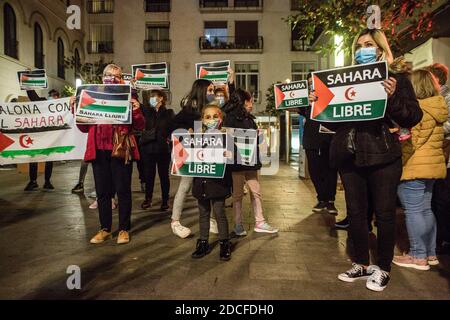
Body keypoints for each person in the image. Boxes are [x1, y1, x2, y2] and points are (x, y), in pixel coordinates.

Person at [310, 29, 422, 292]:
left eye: (369, 44)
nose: (363, 49)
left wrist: (392, 97)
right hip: (350, 155)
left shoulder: (396, 79)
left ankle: (383, 268)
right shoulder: (342, 80)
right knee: (356, 214)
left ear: (381, 49)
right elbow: (330, 116)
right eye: (359, 45)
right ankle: (360, 263)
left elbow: (412, 116)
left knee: (384, 214)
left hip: (383, 154)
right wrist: (315, 104)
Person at [76, 64, 145, 245]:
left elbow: (140, 126)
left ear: (122, 79)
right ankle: (105, 229)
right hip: (99, 151)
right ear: (102, 77)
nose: (111, 78)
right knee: (102, 193)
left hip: (120, 151)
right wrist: (75, 110)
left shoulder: (129, 96)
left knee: (123, 191)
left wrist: (136, 109)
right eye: (108, 74)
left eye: (116, 76)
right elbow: (83, 128)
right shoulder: (91, 96)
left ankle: (123, 229)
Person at [393, 69, 447, 270]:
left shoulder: (420, 110)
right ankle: (430, 253)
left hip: (415, 166)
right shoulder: (437, 106)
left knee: (414, 211)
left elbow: (411, 140)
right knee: (426, 210)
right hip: (433, 165)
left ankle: (418, 256)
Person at [223, 88, 278, 236]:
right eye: (249, 101)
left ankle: (260, 222)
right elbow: (228, 140)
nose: (251, 104)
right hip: (236, 163)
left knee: (256, 191)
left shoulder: (250, 119)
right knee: (238, 195)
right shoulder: (229, 118)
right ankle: (238, 224)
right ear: (241, 102)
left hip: (251, 161)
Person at [170, 79, 216, 238]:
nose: (212, 93)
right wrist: (186, 131)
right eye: (210, 90)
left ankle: (210, 219)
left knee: (208, 185)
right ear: (202, 90)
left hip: (206, 154)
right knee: (185, 186)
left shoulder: (211, 108)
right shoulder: (189, 110)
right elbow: (173, 127)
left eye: (213, 90)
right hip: (190, 154)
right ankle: (175, 222)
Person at [191, 103, 232, 261]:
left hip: (218, 184)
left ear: (221, 119)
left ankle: (224, 243)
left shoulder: (226, 137)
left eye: (215, 116)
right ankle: (203, 242)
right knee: (203, 213)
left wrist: (230, 154)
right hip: (201, 182)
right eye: (207, 117)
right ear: (202, 120)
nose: (212, 120)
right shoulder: (196, 137)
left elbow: (235, 158)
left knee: (219, 213)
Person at [299, 72, 339, 215]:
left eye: (314, 82)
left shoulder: (330, 99)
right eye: (309, 83)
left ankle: (330, 201)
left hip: (328, 140)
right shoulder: (306, 102)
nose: (312, 85)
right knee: (315, 171)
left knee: (330, 171)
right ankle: (321, 198)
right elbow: (289, 106)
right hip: (311, 141)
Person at [140, 89, 174, 211]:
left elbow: (173, 127)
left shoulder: (169, 113)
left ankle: (165, 200)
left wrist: (169, 138)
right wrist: (133, 87)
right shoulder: (147, 111)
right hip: (148, 148)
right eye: (150, 97)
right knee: (149, 176)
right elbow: (137, 104)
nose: (151, 99)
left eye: (154, 96)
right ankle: (148, 199)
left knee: (164, 176)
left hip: (163, 150)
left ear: (161, 98)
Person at [429, 63, 450, 251]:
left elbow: (448, 125)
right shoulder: (435, 97)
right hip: (435, 154)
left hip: (444, 156)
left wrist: (431, 128)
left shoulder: (447, 98)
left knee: (442, 199)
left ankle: (443, 239)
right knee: (435, 199)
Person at [24, 89, 60, 191]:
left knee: (49, 159)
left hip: (50, 137)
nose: (52, 97)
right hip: (38, 136)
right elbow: (33, 97)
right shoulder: (43, 102)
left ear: (58, 97)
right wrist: (28, 86)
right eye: (51, 95)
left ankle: (47, 181)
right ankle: (33, 181)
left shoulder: (60, 107)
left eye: (55, 96)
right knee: (34, 158)